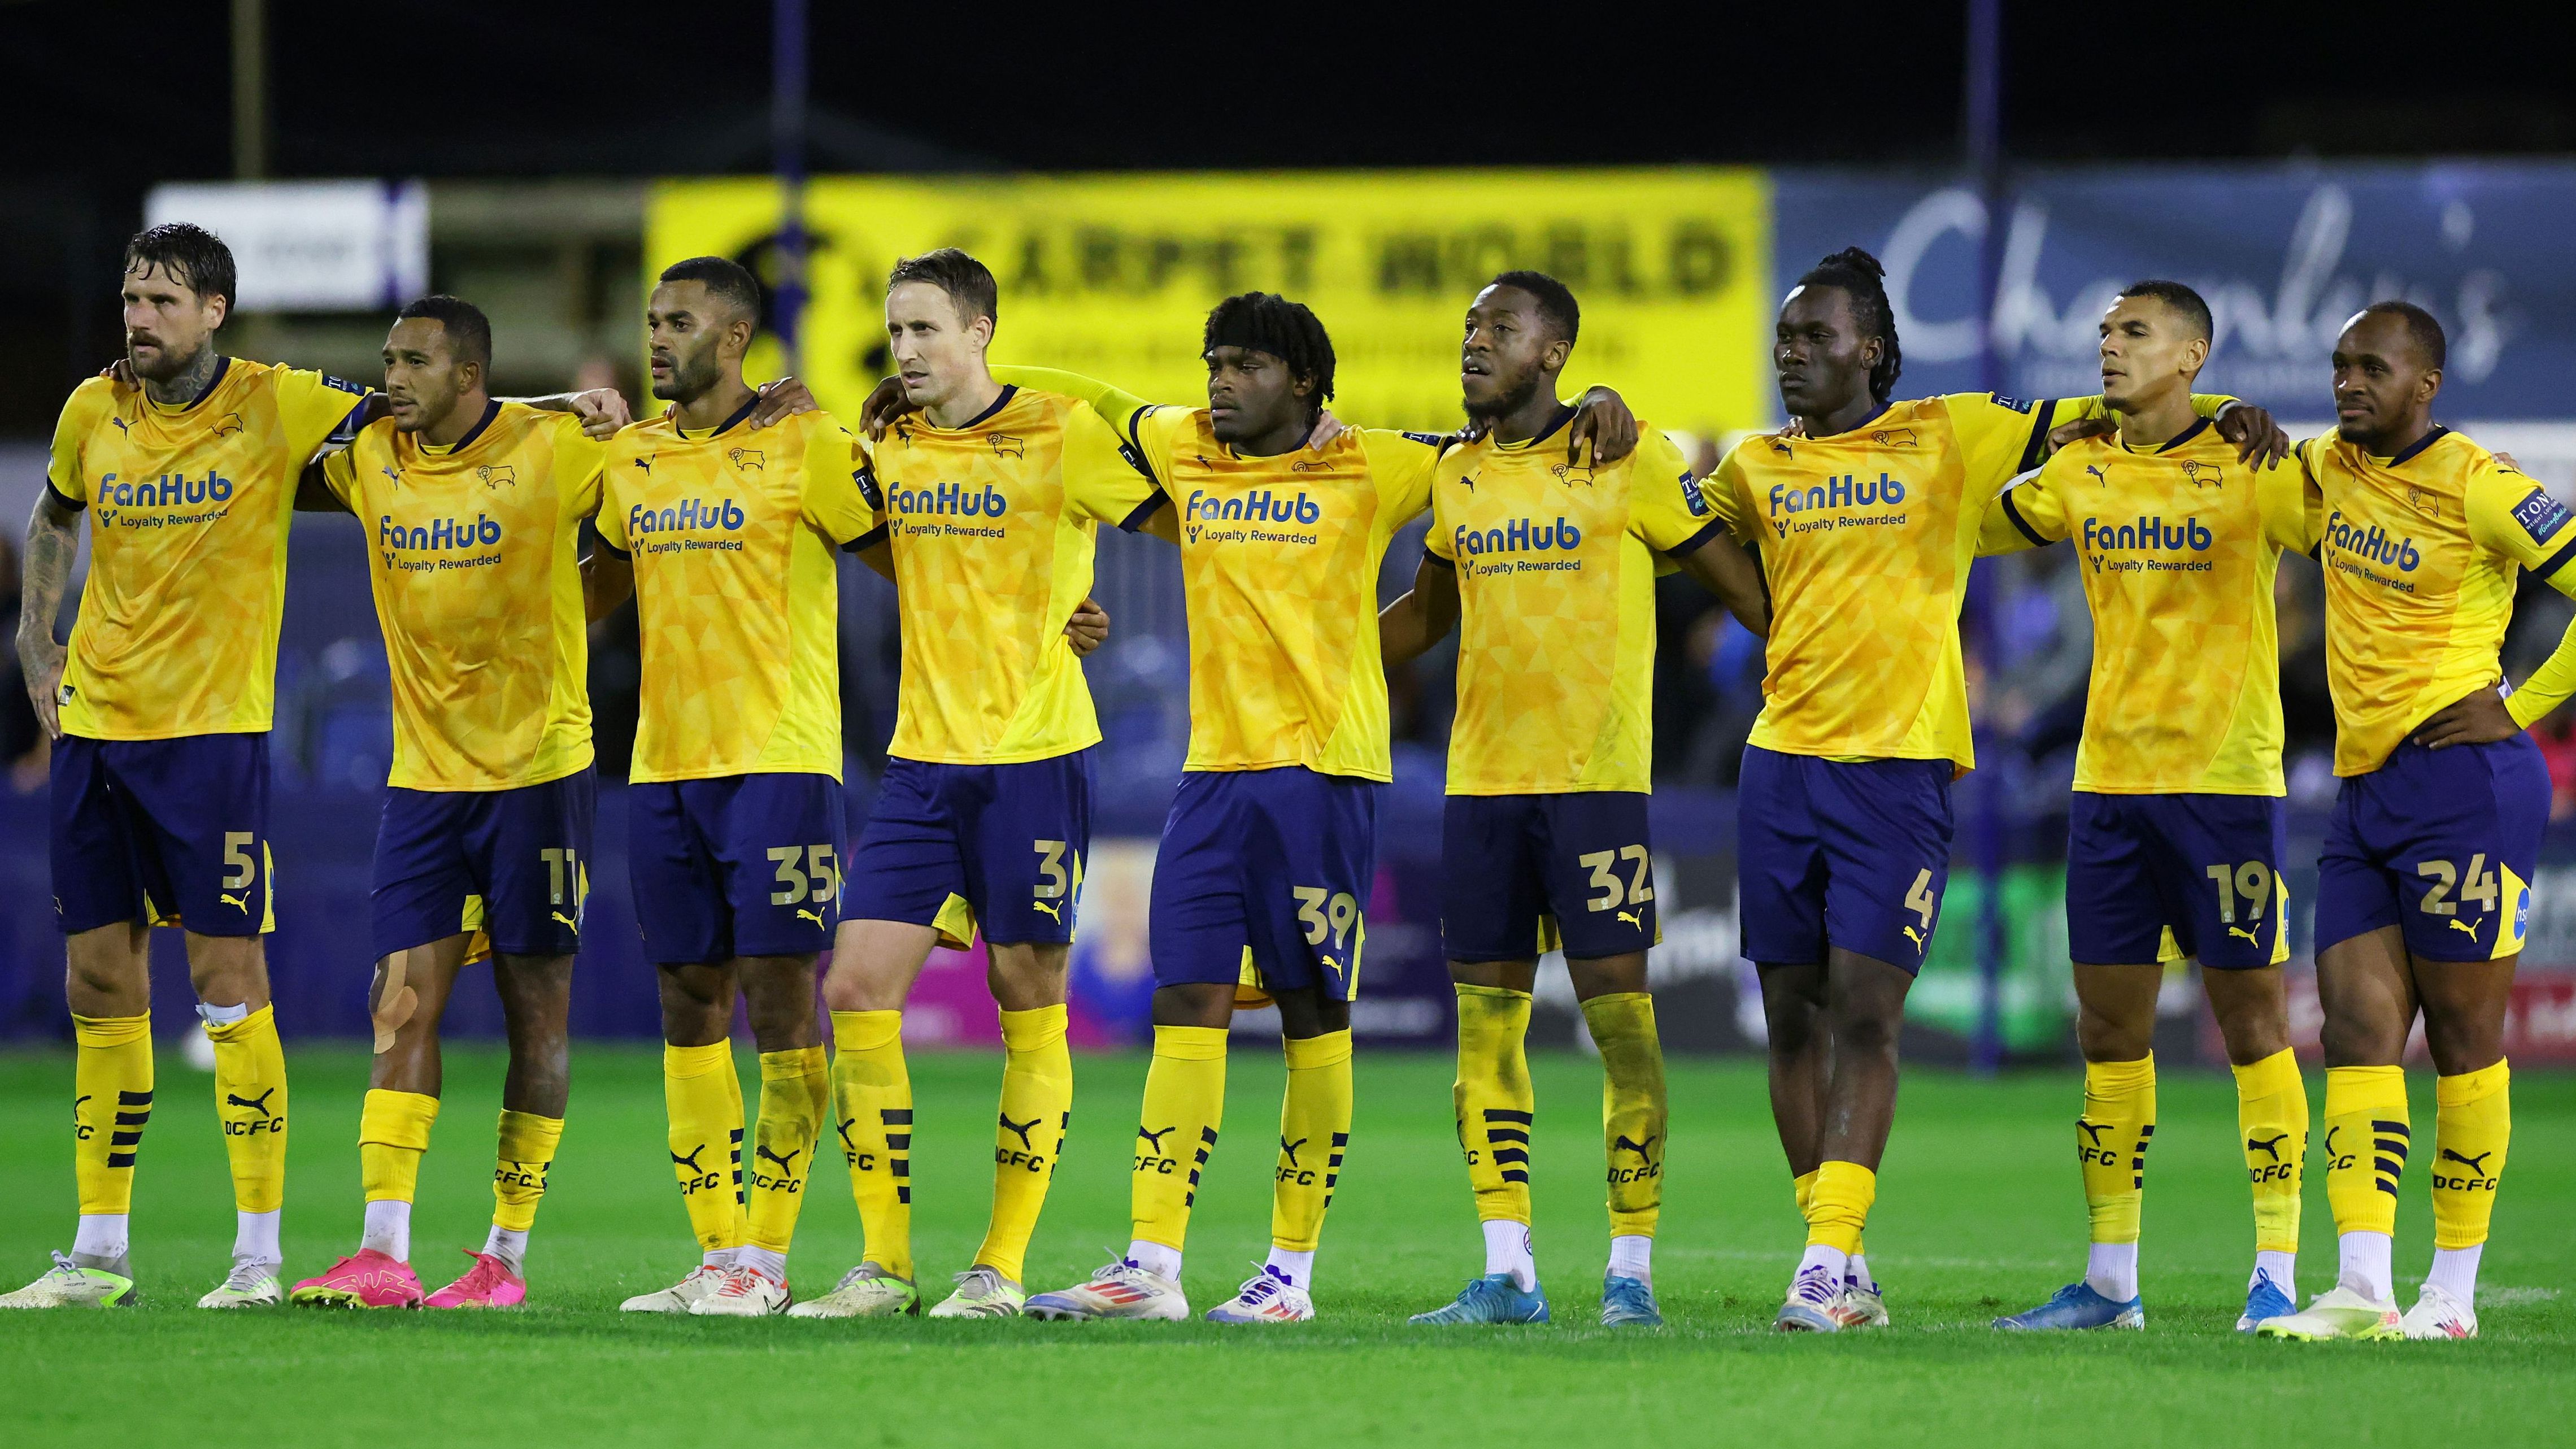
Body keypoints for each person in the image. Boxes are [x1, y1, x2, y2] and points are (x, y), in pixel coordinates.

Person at [928, 294, 1635, 1324]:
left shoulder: (1378, 463)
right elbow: (1093, 398)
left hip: (1324, 775)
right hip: (1212, 775)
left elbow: (1505, 444)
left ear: (1303, 381)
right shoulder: (1186, 447)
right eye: (1214, 363)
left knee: (1313, 1011)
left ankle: (1288, 1277)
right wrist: (953, 386)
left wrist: (1598, 400)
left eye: (1246, 366)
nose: (1221, 383)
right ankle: (1151, 1265)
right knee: (1186, 1000)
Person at [1697, 247, 2284, 1333]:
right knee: (1789, 1016)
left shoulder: (1954, 432)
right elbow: (1686, 529)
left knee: (1867, 1012)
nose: (1793, 354)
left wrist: (2232, 412)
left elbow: (2118, 410)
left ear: (1871, 348)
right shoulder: (1754, 465)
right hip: (1778, 763)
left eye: (1816, 335)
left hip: (1900, 768)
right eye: (1784, 337)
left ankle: (1821, 1263)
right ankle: (1844, 1258)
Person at [1377, 271, 1768, 1328]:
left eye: (1500, 328)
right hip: (1482, 787)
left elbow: (1748, 594)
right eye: (1469, 326)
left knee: (1622, 1028)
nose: (1474, 342)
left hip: (1595, 787)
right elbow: (1427, 616)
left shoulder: (1628, 457)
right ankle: (1508, 1271)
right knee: (1484, 1035)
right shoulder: (1457, 475)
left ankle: (1630, 1271)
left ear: (1552, 352)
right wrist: (1320, 657)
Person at [2, 224, 372, 1309]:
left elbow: (420, 413)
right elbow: (55, 512)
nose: (139, 318)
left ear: (215, 310)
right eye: (131, 298)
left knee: (228, 983)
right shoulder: (91, 408)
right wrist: (36, 637)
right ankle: (98, 1252)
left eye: (162, 301)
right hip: (95, 732)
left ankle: (257, 1255)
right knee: (98, 984)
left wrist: (566, 411)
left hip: (210, 738)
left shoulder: (275, 401)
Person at [786, 249, 1128, 1320]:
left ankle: (1000, 1265)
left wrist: (1082, 605)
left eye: (926, 328)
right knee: (854, 989)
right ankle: (884, 1265)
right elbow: (896, 554)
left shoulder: (1064, 429)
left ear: (981, 332)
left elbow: (1177, 495)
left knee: (1027, 997)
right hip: (921, 763)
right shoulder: (890, 441)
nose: (905, 349)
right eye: (895, 331)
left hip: (1034, 758)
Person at [1972, 281, 2315, 1333]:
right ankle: (2111, 1281)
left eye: (2134, 331)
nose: (2109, 346)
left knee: (2252, 1023)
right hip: (2110, 788)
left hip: (2226, 787)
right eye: (2104, 331)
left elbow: (2357, 532)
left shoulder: (2258, 465)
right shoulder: (2079, 468)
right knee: (2108, 1028)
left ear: (2193, 354)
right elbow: (1966, 525)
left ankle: (2276, 1272)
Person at [277, 295, 614, 1309]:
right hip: (423, 781)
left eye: (415, 361)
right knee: (399, 1003)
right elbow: (270, 454)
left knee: (534, 1018)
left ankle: (504, 1256)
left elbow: (659, 494)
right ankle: (383, 1250)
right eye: (389, 358)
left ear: (470, 375)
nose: (393, 377)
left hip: (538, 774)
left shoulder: (556, 450)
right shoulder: (371, 458)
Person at [2256, 302, 2576, 1342]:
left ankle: (2451, 1295)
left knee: (2464, 1036)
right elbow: (2254, 472)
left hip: (2466, 783)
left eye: (2373, 367)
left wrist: (2520, 706)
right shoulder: (2330, 468)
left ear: (2426, 383)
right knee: (2354, 1027)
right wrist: (2229, 419)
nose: (2349, 383)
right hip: (2365, 790)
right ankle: (2362, 1286)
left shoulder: (2481, 482)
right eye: (2340, 365)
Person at [590, 256, 876, 1316]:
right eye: (652, 320)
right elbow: (597, 589)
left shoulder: (808, 442)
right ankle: (717, 1256)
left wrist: (1048, 611)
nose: (658, 339)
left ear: (736, 337)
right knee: (687, 999)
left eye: (680, 322)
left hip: (782, 760)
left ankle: (768, 1257)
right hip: (665, 765)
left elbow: (914, 555)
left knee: (780, 994)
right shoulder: (633, 457)